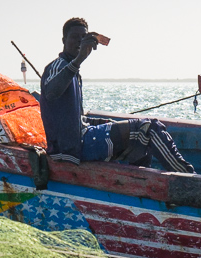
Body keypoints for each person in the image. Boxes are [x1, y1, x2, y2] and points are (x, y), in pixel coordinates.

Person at [38, 17, 193, 172]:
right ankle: (187, 177)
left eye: (83, 38)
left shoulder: (73, 71)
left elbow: (72, 119)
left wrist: (104, 122)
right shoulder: (58, 67)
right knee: (149, 128)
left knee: (140, 140)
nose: (79, 42)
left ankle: (139, 182)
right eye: (74, 37)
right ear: (64, 40)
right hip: (72, 149)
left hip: (76, 143)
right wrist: (78, 60)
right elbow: (52, 93)